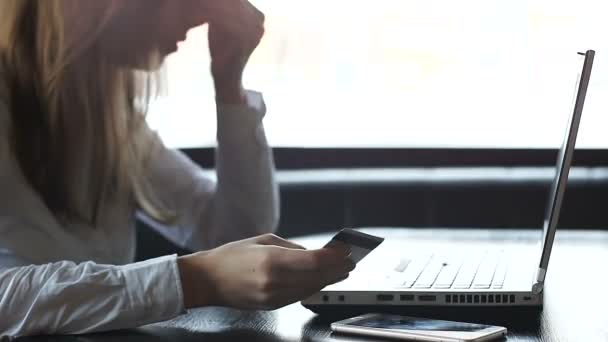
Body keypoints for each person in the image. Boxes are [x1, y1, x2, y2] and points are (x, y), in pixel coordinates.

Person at [0, 0, 354, 337]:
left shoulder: (111, 119)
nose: (202, 15)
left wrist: (229, 84)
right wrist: (194, 280)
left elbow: (236, 231)